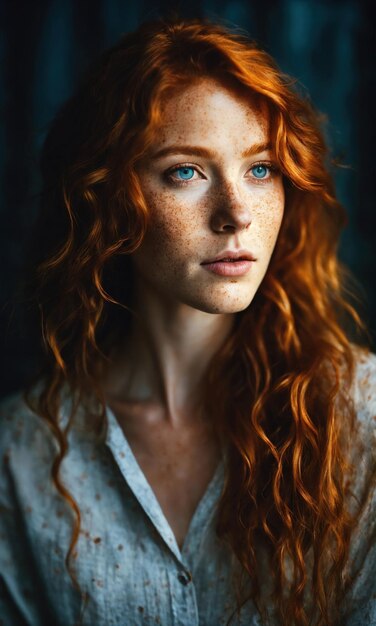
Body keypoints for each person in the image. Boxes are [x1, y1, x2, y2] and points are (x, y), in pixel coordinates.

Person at [0, 15, 375, 626]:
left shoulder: (361, 417)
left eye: (260, 168)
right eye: (186, 171)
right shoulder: (21, 456)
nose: (236, 214)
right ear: (106, 200)